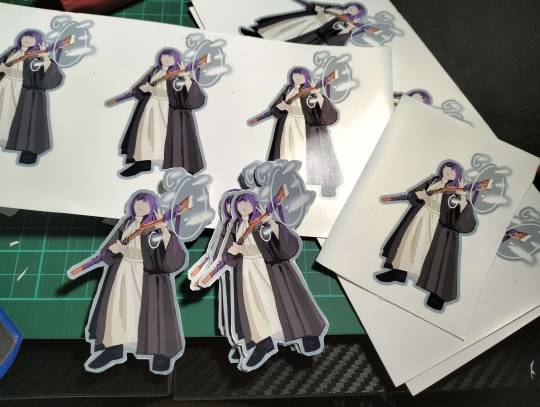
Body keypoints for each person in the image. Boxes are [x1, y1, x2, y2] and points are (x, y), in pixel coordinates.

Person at [221, 192, 328, 370]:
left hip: (271, 270)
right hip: (248, 275)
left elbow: (284, 246)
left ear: (253, 203)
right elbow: (227, 255)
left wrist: (270, 222)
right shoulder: (234, 228)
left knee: (287, 302)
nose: (242, 207)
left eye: (246, 202)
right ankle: (263, 343)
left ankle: (306, 335)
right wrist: (230, 254)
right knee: (255, 310)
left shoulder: (261, 223)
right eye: (238, 204)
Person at [84, 191, 187, 374]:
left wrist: (164, 230)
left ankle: (160, 354)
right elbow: (109, 250)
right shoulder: (126, 224)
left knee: (154, 315)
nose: (140, 206)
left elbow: (172, 258)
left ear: (152, 206)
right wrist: (113, 249)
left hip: (149, 278)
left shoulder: (156, 226)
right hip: (123, 273)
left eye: (145, 203)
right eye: (137, 202)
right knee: (118, 311)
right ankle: (113, 348)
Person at [376, 161, 477, 310]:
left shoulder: (455, 191)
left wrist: (461, 197)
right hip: (421, 218)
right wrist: (416, 195)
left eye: (453, 171)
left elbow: (454, 217)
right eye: (447, 169)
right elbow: (414, 194)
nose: (449, 172)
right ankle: (398, 272)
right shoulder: (433, 181)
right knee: (408, 245)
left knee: (437, 260)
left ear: (457, 175)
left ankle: (437, 294)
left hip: (440, 229)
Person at [120, 48, 206, 177]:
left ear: (176, 59)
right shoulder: (155, 71)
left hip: (168, 112)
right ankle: (142, 163)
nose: (166, 59)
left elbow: (184, 97)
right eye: (163, 56)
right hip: (150, 109)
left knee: (164, 137)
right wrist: (142, 89)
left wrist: (186, 77)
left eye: (170, 57)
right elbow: (140, 88)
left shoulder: (177, 74)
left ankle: (175, 167)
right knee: (145, 135)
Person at [268, 67, 342, 197]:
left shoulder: (309, 92)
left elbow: (315, 113)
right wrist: (279, 108)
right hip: (288, 128)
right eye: (295, 75)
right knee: (286, 154)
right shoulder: (288, 90)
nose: (297, 78)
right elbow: (276, 108)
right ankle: (285, 187)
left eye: (301, 76)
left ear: (306, 77)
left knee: (305, 155)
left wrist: (317, 94)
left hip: (304, 128)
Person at [0, 30, 63, 164]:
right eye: (25, 36)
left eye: (31, 37)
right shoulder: (12, 51)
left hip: (25, 94)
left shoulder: (37, 56)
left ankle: (28, 151)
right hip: (5, 89)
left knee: (26, 123)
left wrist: (45, 58)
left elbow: (46, 77)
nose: (27, 39)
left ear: (37, 40)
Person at [241, 2, 367, 46]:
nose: (352, 9)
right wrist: (317, 8)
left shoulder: (344, 22)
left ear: (356, 14)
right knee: (282, 27)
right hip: (307, 20)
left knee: (288, 35)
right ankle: (258, 34)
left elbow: (332, 37)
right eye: (353, 7)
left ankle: (261, 41)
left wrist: (348, 28)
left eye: (355, 10)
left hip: (312, 29)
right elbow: (318, 7)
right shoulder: (337, 8)